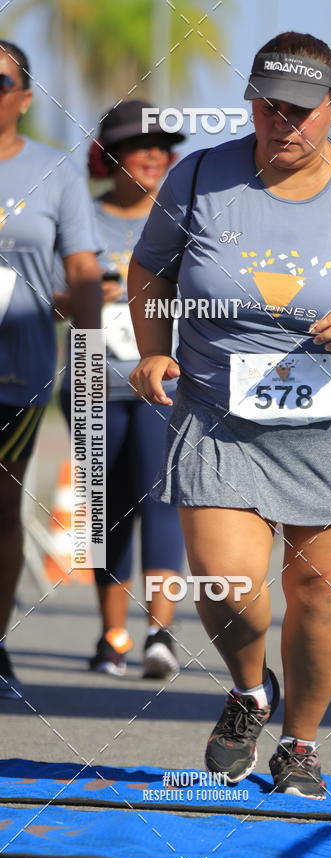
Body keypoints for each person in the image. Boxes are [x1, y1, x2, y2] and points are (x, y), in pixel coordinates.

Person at [127, 32, 331, 798]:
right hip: (219, 408)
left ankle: (300, 742)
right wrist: (154, 349)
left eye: (302, 110)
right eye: (270, 107)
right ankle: (247, 691)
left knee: (319, 595)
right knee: (230, 584)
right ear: (252, 104)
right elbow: (147, 268)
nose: (285, 123)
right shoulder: (199, 176)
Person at [56, 100, 186, 678]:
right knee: (107, 510)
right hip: (91, 375)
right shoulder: (81, 215)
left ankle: (160, 635)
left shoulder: (185, 214)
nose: (156, 154)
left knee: (162, 500)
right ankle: (113, 636)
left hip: (166, 379)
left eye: (164, 145)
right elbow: (43, 294)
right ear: (109, 156)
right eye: (141, 145)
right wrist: (85, 298)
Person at [0, 41, 102, 699]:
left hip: (18, 369)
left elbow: (83, 272)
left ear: (24, 97)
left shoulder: (55, 172)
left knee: (1, 508)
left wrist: (92, 359)